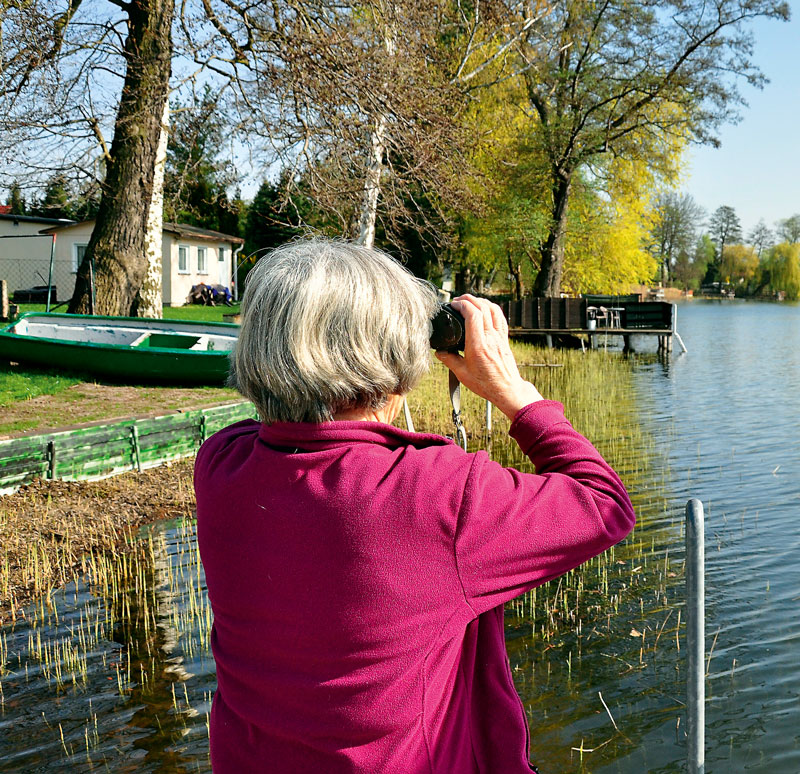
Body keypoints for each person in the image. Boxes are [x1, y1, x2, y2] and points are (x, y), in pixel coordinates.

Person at [194, 239, 635, 773]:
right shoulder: (435, 494)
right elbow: (605, 503)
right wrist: (518, 395)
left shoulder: (221, 465)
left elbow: (292, 429)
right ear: (393, 358)